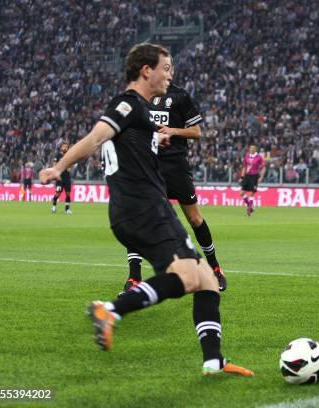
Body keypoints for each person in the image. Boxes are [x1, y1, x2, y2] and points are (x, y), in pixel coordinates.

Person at [39, 43, 253, 377]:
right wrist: (58, 167)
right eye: (165, 68)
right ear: (146, 71)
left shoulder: (139, 111)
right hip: (143, 209)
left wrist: (159, 138)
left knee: (207, 280)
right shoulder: (126, 104)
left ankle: (214, 361)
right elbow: (95, 138)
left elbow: (135, 138)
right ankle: (112, 310)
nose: (170, 75)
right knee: (185, 276)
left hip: (140, 209)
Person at [121, 67, 226, 296]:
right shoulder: (140, 98)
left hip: (175, 166)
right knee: (138, 216)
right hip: (148, 166)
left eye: (168, 68)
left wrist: (172, 131)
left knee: (194, 218)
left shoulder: (180, 96)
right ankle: (134, 277)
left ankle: (215, 268)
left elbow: (197, 132)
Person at [239, 144, 265, 216]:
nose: (252, 149)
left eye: (253, 148)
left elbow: (263, 167)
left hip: (254, 176)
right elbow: (244, 167)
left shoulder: (259, 157)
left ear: (256, 149)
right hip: (247, 176)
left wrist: (261, 177)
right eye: (251, 148)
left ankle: (249, 209)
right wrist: (241, 177)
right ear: (249, 149)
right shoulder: (247, 156)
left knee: (251, 193)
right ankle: (249, 207)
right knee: (241, 193)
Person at [51, 142, 73, 214]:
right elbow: (54, 165)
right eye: (63, 146)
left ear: (68, 148)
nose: (64, 148)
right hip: (59, 178)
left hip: (67, 178)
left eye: (66, 147)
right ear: (61, 147)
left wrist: (69, 167)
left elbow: (70, 166)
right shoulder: (57, 155)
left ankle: (67, 209)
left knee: (68, 194)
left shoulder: (70, 155)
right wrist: (57, 175)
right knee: (58, 193)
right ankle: (53, 207)